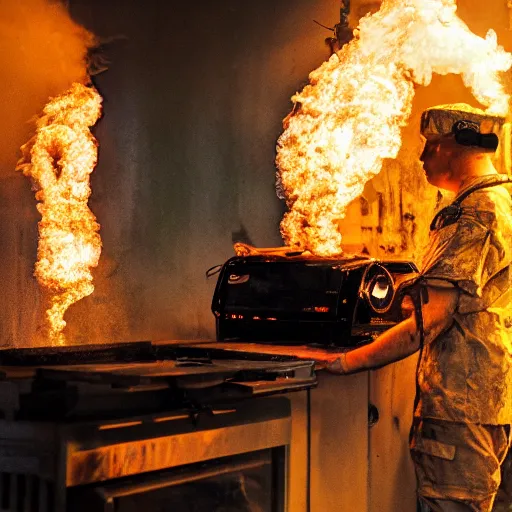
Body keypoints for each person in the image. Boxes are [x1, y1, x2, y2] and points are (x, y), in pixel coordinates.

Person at [322, 104, 512, 512]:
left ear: (452, 148)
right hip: (483, 406)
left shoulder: (474, 211)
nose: (423, 157)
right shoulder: (501, 202)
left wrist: (348, 362)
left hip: (459, 412)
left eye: (430, 146)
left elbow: (428, 320)